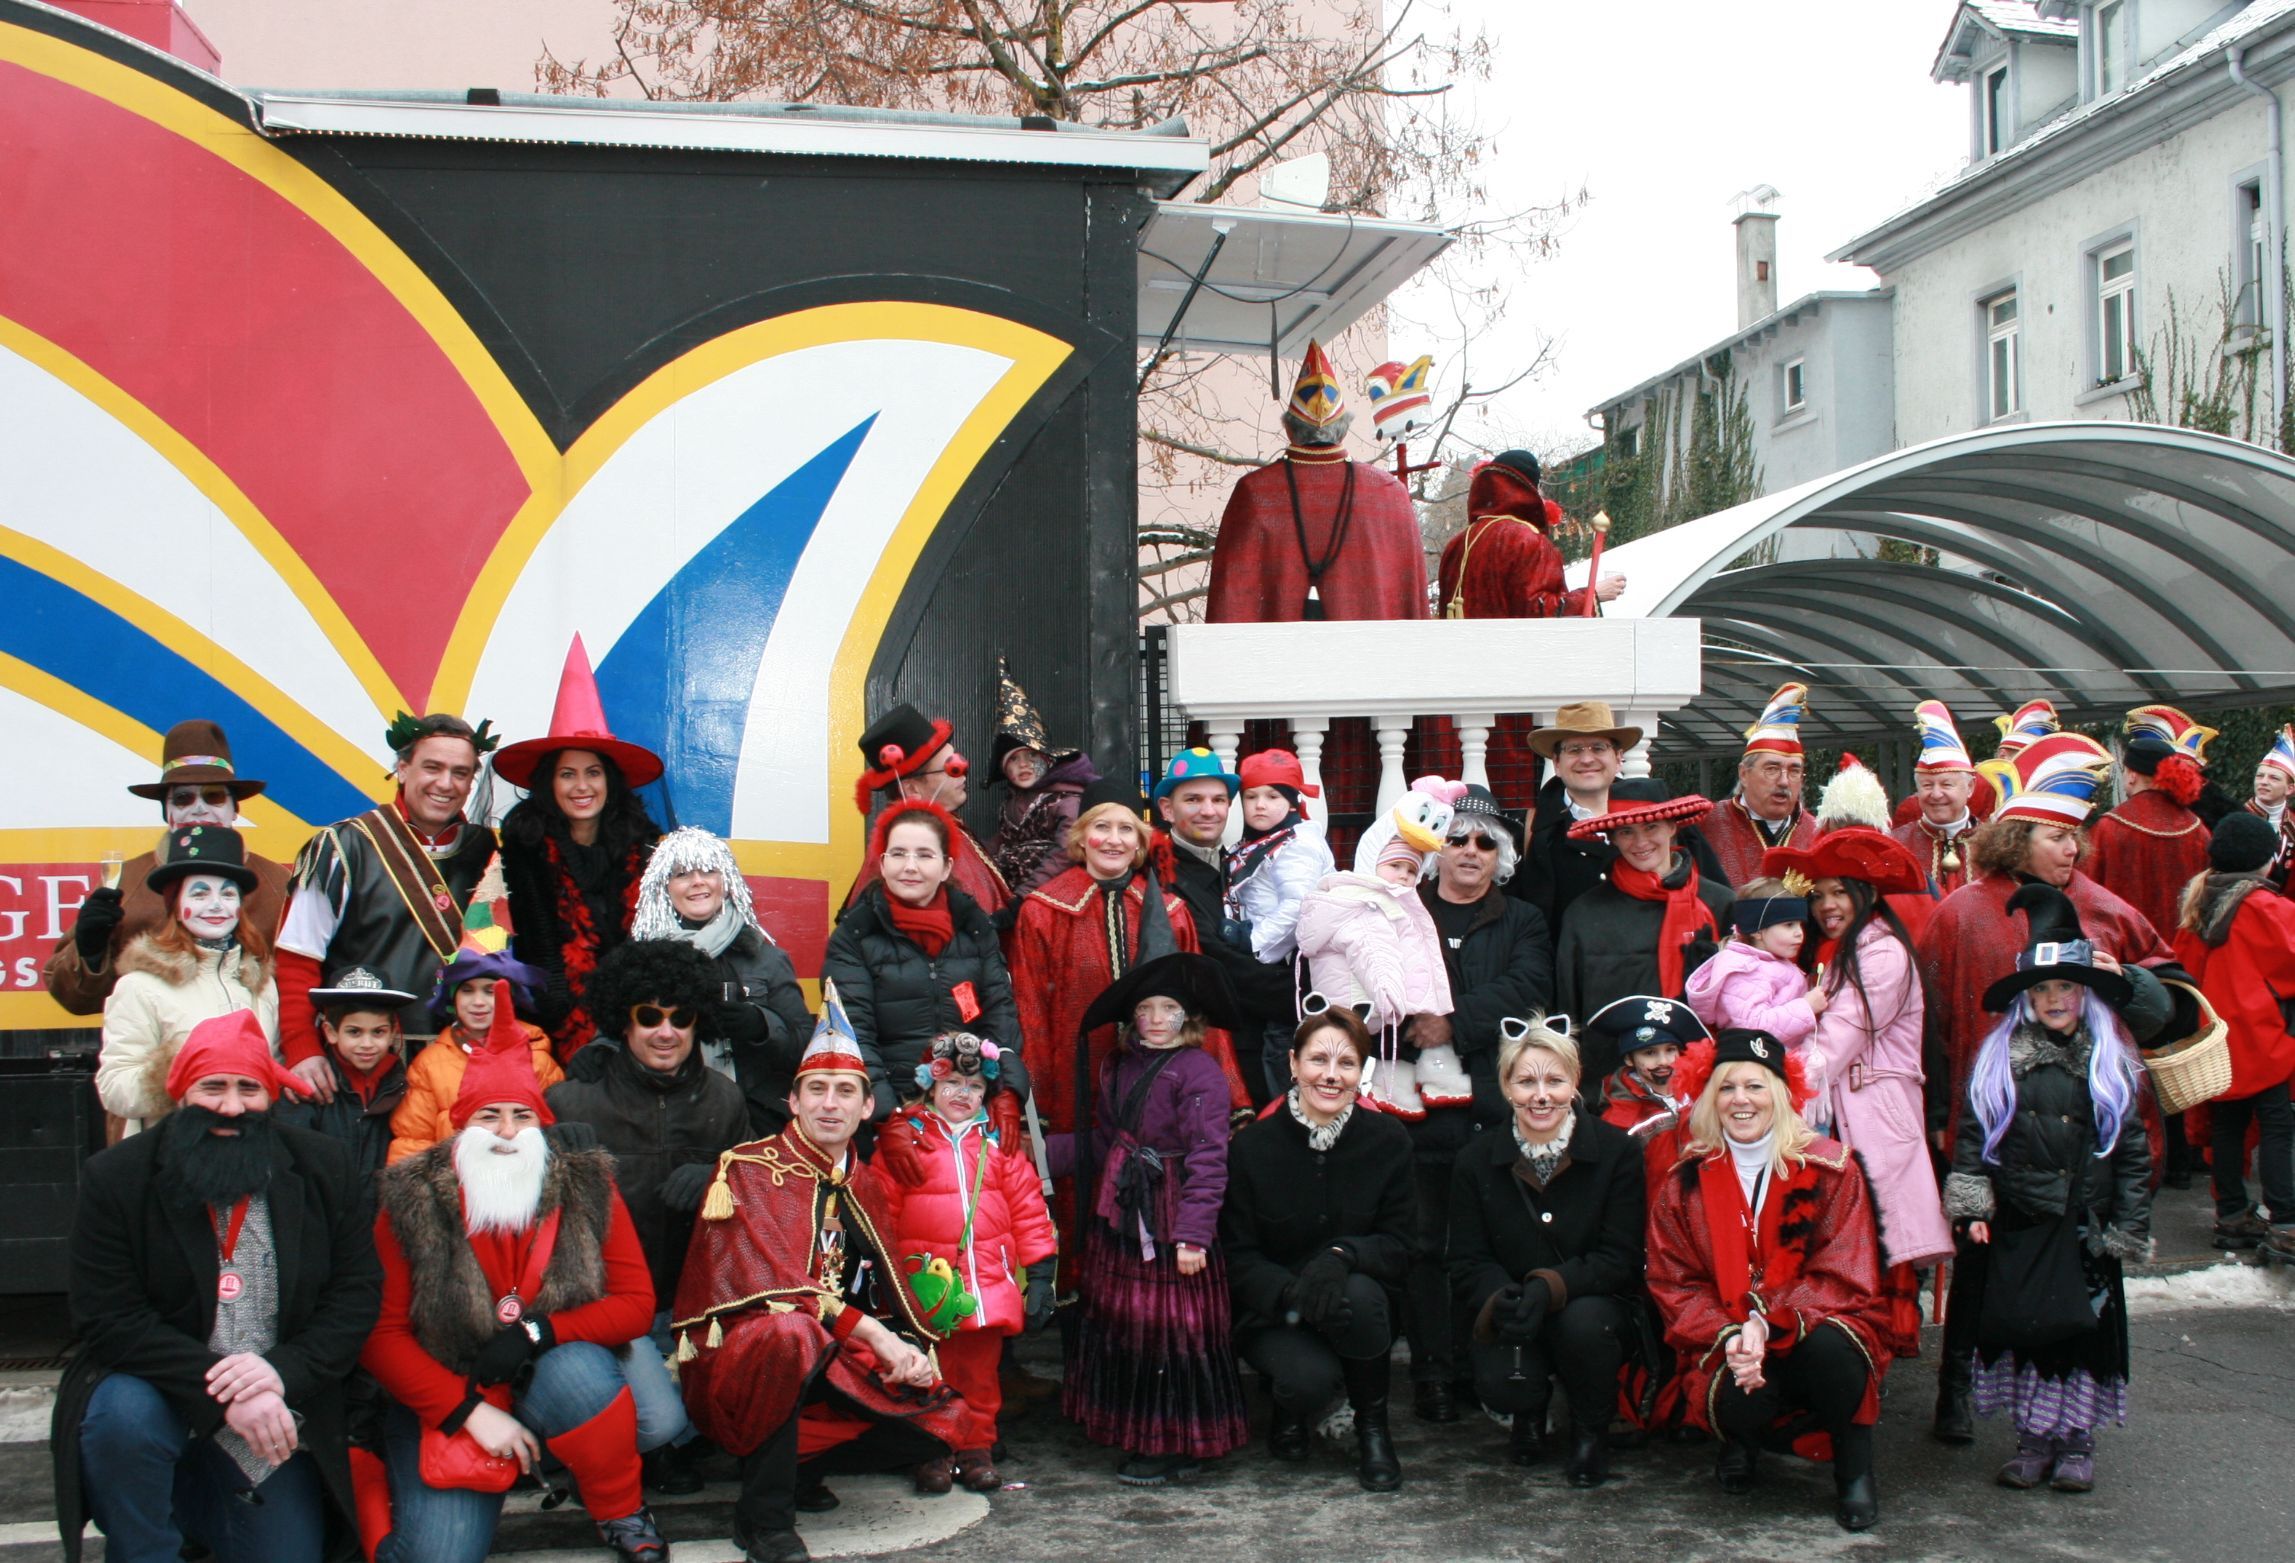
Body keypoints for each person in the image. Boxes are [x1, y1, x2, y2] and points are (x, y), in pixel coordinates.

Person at [1921, 731, 2201, 1442]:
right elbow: (1930, 1022)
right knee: (1981, 1267)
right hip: (1993, 1127)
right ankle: (1957, 1391)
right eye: (2056, 835)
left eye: (2076, 835)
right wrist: (1938, 1114)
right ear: (2017, 836)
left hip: (2084, 1134)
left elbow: (2174, 1004)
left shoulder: (2106, 908)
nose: (2072, 848)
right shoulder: (1959, 912)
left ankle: (2069, 1419)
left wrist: (2126, 979)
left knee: (2082, 1274)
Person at [55, 1010, 379, 1563]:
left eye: (248, 1089)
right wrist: (225, 1391)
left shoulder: (323, 1166)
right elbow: (107, 1316)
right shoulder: (117, 1177)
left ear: (270, 1096)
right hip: (160, 1387)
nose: (231, 1106)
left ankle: (194, 1505)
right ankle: (145, 1546)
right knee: (121, 1421)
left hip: (274, 1406)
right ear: (181, 1092)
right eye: (213, 1087)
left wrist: (282, 1370)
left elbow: (356, 1293)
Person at [672, 994, 970, 1563]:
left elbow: (881, 1289)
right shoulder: (748, 1168)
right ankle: (764, 1519)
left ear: (867, 1106)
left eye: (845, 1091)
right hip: (744, 1358)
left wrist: (909, 1349)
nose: (829, 1104)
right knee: (790, 1336)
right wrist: (874, 1336)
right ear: (793, 1100)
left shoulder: (863, 1182)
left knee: (936, 1420)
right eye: (816, 1089)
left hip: (833, 1348)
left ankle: (798, 1469)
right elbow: (779, 1294)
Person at [362, 1042, 667, 1563]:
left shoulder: (587, 1183)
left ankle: (620, 1509)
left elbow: (637, 1303)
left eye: (522, 1115)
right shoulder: (411, 1195)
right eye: (489, 1115)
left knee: (587, 1378)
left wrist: (540, 1331)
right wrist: (467, 1411)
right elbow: (381, 1335)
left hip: (548, 1367)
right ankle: (364, 1472)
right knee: (439, 1556)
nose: (506, 1131)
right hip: (455, 1384)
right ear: (461, 1123)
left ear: (541, 1123)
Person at [1944, 887, 2154, 1495]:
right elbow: (1974, 1136)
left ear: (2085, 995)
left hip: (2086, 1227)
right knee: (2027, 1330)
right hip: (2023, 1220)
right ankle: (2034, 1441)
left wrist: (2128, 1226)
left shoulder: (2108, 1064)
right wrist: (1973, 1204)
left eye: (2066, 987)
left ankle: (2076, 1442)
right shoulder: (2001, 1062)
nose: (2054, 998)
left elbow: (2133, 1154)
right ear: (2027, 999)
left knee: (2081, 1335)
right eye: (2042, 989)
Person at [1645, 1028, 1891, 1532]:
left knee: (1835, 1352)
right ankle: (1742, 1441)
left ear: (1781, 1093)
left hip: (1811, 1325)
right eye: (1727, 1087)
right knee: (1736, 1394)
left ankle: (1854, 1469)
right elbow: (1674, 1282)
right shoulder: (1684, 1180)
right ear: (1710, 1097)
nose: (1741, 1099)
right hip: (1726, 1333)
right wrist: (1733, 1335)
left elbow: (1845, 1273)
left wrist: (1770, 1320)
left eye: (1755, 1086)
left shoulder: (1831, 1168)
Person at [547, 939, 750, 1496]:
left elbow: (759, 1195)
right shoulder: (573, 1102)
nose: (666, 1032)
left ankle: (671, 1438)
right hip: (610, 1309)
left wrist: (718, 1175)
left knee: (719, 1410)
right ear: (624, 1021)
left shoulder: (725, 1100)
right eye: (649, 1016)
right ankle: (636, 1446)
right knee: (659, 1420)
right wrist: (549, 1152)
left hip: (692, 1307)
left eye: (681, 1017)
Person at [1050, 952, 1249, 1485]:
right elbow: (1104, 1142)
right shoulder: (1118, 1066)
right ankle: (1139, 1431)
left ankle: (1177, 1443)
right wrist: (1039, 1155)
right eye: (1145, 1008)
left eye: (1168, 1008)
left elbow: (1209, 1158)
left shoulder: (1200, 1072)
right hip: (1123, 1210)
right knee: (1130, 1324)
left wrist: (1193, 1236)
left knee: (1171, 1332)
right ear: (1131, 1017)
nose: (1157, 1019)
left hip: (1173, 1217)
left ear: (1189, 1016)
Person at [1402, 784, 1555, 1425]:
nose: (1470, 851)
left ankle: (1479, 1368)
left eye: (1485, 843)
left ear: (1502, 857)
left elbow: (1529, 986)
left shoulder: (1524, 919)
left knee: (1485, 1242)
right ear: (1437, 849)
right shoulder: (1403, 908)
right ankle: (1433, 1373)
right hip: (1415, 1108)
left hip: (1493, 1107)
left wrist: (1453, 1020)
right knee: (1422, 1245)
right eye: (1457, 839)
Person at [1765, 828, 1955, 1343]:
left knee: (1874, 1230)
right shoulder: (1840, 952)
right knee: (1854, 1232)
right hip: (1849, 1108)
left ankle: (1877, 1342)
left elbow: (1837, 1040)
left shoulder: (1883, 953)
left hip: (1874, 1110)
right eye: (1817, 895)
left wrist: (1770, 1074)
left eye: (1838, 892)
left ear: (1865, 893)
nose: (1826, 905)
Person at [1010, 777, 1254, 1166]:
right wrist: (1031, 1106)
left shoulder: (1172, 914)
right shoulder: (1042, 913)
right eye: (1101, 827)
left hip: (1163, 1091)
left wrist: (1232, 1100)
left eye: (1126, 829)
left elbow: (1200, 1013)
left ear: (1140, 843)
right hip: (1074, 1084)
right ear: (1081, 837)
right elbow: (1030, 1013)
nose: (1114, 840)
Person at [1447, 1017, 1646, 1487]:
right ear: (1505, 1086)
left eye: (1554, 1081)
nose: (1541, 1096)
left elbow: (1619, 1258)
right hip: (1513, 1303)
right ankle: (1528, 1414)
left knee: (1584, 1326)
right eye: (1526, 1082)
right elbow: (1467, 1258)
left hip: (1589, 1304)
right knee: (1502, 1383)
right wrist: (1501, 1297)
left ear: (1575, 1082)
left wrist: (1551, 1286)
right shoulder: (1474, 1160)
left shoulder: (1617, 1152)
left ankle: (1590, 1430)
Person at [1221, 1006, 1413, 1492]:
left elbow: (1401, 1244)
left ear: (1361, 1072)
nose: (1331, 1075)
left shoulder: (1388, 1140)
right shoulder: (1252, 1147)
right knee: (1306, 1382)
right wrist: (1292, 1293)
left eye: (1346, 1063)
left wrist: (1342, 1256)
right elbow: (1237, 1255)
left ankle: (1374, 1429)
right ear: (1293, 1063)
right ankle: (1290, 1407)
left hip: (1356, 1303)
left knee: (1362, 1296)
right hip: (1276, 1312)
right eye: (1318, 1059)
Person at [275, 712, 500, 1099]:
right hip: (365, 1063)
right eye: (432, 767)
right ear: (402, 768)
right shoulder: (343, 847)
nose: (445, 783)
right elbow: (297, 959)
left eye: (460, 773)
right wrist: (302, 1050)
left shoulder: (487, 851)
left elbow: (497, 955)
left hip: (463, 1062)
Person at [873, 1031, 1057, 1493]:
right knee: (925, 1374)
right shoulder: (906, 1141)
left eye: (974, 1087)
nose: (963, 1094)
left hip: (985, 1287)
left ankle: (976, 1448)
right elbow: (880, 1214)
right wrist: (886, 1279)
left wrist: (1040, 1274)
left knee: (980, 1377)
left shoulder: (999, 1144)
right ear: (929, 1085)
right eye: (951, 1083)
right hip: (925, 1289)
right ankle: (933, 1449)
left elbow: (1029, 1210)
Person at [493, 637, 666, 1062]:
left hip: (634, 1022)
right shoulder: (522, 849)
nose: (582, 786)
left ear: (610, 780)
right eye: (567, 774)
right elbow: (531, 952)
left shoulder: (643, 848)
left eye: (593, 772)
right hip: (548, 1028)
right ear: (549, 783)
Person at [46, 719, 290, 1016]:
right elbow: (75, 1000)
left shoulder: (279, 884)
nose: (199, 808)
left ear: (234, 808)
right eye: (183, 798)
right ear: (167, 810)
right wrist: (90, 953)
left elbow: (301, 987)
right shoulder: (123, 883)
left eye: (213, 796)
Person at [824, 798, 1024, 1124]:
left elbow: (1000, 1016)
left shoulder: (975, 929)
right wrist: (887, 1115)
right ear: (882, 863)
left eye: (924, 855)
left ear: (946, 867)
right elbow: (853, 1032)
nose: (910, 866)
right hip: (892, 1105)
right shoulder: (855, 936)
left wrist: (1006, 1090)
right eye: (898, 854)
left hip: (969, 1099)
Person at [1204, 339, 1427, 624]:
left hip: (1277, 652)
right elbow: (1409, 605)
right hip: (1367, 652)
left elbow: (1231, 603)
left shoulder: (1254, 492)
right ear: (1344, 430)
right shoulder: (1389, 493)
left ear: (1288, 429)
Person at [1295, 777, 1465, 1117]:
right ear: (1372, 862)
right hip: (1364, 1004)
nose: (1402, 876)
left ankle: (1406, 1081)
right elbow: (1373, 954)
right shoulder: (1367, 905)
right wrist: (1391, 1001)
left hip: (1370, 1008)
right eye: (1394, 866)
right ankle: (1387, 1088)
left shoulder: (1388, 904)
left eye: (1411, 870)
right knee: (1350, 1062)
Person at [629, 827, 812, 1133]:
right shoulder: (640, 960)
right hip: (666, 1121)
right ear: (664, 887)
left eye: (708, 871)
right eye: (682, 874)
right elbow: (613, 1037)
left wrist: (761, 1025)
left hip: (755, 1120)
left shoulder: (766, 958)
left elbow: (807, 1045)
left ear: (726, 881)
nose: (697, 881)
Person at [97, 826, 278, 1135]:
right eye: (200, 893)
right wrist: (185, 1074)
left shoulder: (261, 985)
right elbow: (114, 1088)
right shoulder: (139, 986)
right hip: (175, 1148)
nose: (216, 904)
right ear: (177, 908)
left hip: (250, 1148)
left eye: (228, 893)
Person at [2172, 813, 2295, 1256]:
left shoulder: (2198, 903)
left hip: (2215, 1039)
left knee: (2228, 1125)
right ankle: (2286, 1222)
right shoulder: (2267, 906)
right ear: (2265, 860)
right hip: (2262, 1037)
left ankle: (2231, 1215)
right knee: (2279, 1126)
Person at [1555, 780, 1733, 1077]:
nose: (1640, 842)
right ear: (1613, 838)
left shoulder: (1719, 903)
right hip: (1609, 1082)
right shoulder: (1584, 913)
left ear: (1672, 827)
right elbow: (1567, 1005)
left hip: (1705, 1077)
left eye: (1651, 827)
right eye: (1626, 832)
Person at [1149, 748, 1298, 1101]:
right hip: (1221, 1050)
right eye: (1193, 799)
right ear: (1167, 809)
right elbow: (1218, 964)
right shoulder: (1161, 877)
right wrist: (1307, 995)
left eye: (1218, 800)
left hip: (1276, 1037)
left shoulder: (1240, 861)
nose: (1209, 811)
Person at [1514, 703, 1722, 940]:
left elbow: (1715, 901)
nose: (1586, 759)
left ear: (1619, 757)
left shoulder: (1666, 818)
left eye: (1598, 748)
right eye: (1574, 750)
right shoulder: (1530, 831)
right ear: (1557, 764)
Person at [389, 938, 563, 1164]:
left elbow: (556, 1137)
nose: (478, 1001)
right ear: (453, 998)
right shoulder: (429, 1065)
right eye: (467, 991)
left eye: (490, 991)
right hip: (451, 1180)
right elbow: (413, 1141)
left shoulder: (538, 1059)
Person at [847, 701, 1010, 916]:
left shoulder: (943, 826)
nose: (962, 771)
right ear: (912, 789)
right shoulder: (917, 843)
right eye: (950, 768)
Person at [1437, 449, 1626, 619]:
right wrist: (1592, 596)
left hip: (1461, 647)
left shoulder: (1456, 545)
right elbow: (1538, 610)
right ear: (1530, 488)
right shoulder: (1527, 541)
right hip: (1509, 647)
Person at [279, 968, 419, 1176]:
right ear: (331, 1032)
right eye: (354, 1032)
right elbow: (289, 1167)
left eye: (378, 1032)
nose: (367, 1044)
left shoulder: (405, 1087)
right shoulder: (309, 1090)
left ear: (392, 1033)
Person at [984, 656, 1100, 897]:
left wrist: (1027, 893)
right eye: (1013, 759)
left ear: (1048, 759)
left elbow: (1066, 850)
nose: (1023, 764)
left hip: (1052, 896)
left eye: (1031, 756)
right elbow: (1001, 842)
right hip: (1010, 895)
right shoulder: (1009, 805)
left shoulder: (1065, 800)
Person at [1683, 880, 1824, 1065]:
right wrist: (1806, 1006)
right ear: (1757, 931)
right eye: (1789, 925)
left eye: (1800, 925)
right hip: (1761, 1064)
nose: (1799, 933)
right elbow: (1752, 1027)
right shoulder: (1745, 970)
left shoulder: (1771, 962)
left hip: (1779, 1060)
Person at [1224, 748, 1334, 966]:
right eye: (1251, 796)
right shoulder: (1261, 840)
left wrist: (1252, 943)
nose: (1260, 805)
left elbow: (1298, 906)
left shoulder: (1298, 845)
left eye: (1273, 796)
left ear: (1292, 803)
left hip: (1283, 963)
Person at [1703, 683, 1817, 889]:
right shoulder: (1707, 824)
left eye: (1794, 771)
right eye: (1772, 769)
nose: (1784, 781)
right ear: (1744, 774)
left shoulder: (1817, 833)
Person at [1586, 994, 1707, 1166]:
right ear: (1629, 1059)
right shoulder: (1619, 1117)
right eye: (1650, 1053)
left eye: (1670, 1050)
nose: (1663, 1061)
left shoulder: (1701, 1093)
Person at [1891, 699, 1986, 896]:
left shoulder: (1996, 845)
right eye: (1927, 785)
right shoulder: (1896, 845)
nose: (1935, 794)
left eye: (1946, 784)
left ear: (1970, 787)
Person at [2244, 724, 2295, 891]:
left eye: (2274, 778)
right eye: (2260, 776)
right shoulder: (2238, 819)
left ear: (2290, 789)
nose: (2264, 782)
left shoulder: (2293, 824)